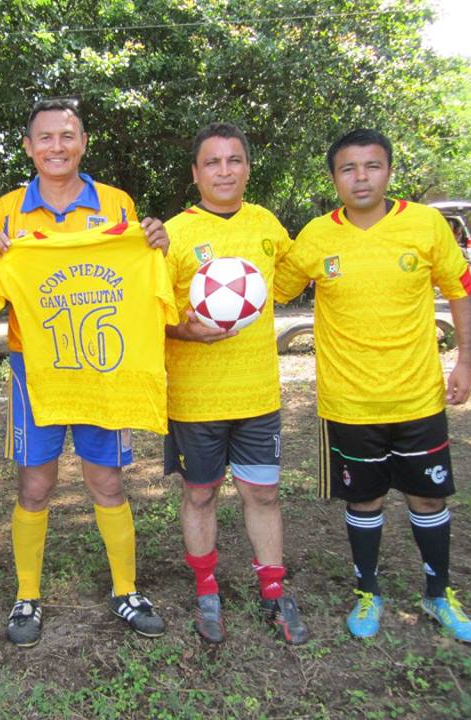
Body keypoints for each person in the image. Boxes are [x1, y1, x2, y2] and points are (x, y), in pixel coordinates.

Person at [275, 128, 471, 642]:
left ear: (388, 171)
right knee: (363, 503)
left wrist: (465, 362)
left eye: (372, 166)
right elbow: (273, 286)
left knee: (428, 499)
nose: (361, 177)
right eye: (348, 168)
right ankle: (368, 592)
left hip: (418, 396)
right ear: (334, 178)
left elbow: (461, 288)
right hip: (349, 402)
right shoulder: (318, 235)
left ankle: (438, 595)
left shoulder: (426, 224)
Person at [0, 99, 169, 647]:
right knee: (34, 483)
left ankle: (127, 590)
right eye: (45, 138)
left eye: (67, 136)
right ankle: (26, 596)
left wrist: (154, 242)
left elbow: (136, 268)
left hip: (105, 367)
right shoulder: (8, 210)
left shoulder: (116, 203)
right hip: (33, 365)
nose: (56, 147)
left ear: (83, 141)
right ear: (28, 147)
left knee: (106, 480)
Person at [163, 123, 309, 645]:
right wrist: (184, 329)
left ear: (248, 167)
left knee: (263, 493)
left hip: (257, 394)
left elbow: (290, 282)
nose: (224, 171)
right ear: (196, 172)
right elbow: (149, 312)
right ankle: (207, 589)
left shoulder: (267, 224)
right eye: (213, 162)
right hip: (195, 396)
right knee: (200, 494)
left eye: (234, 161)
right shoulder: (175, 234)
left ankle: (274, 590)